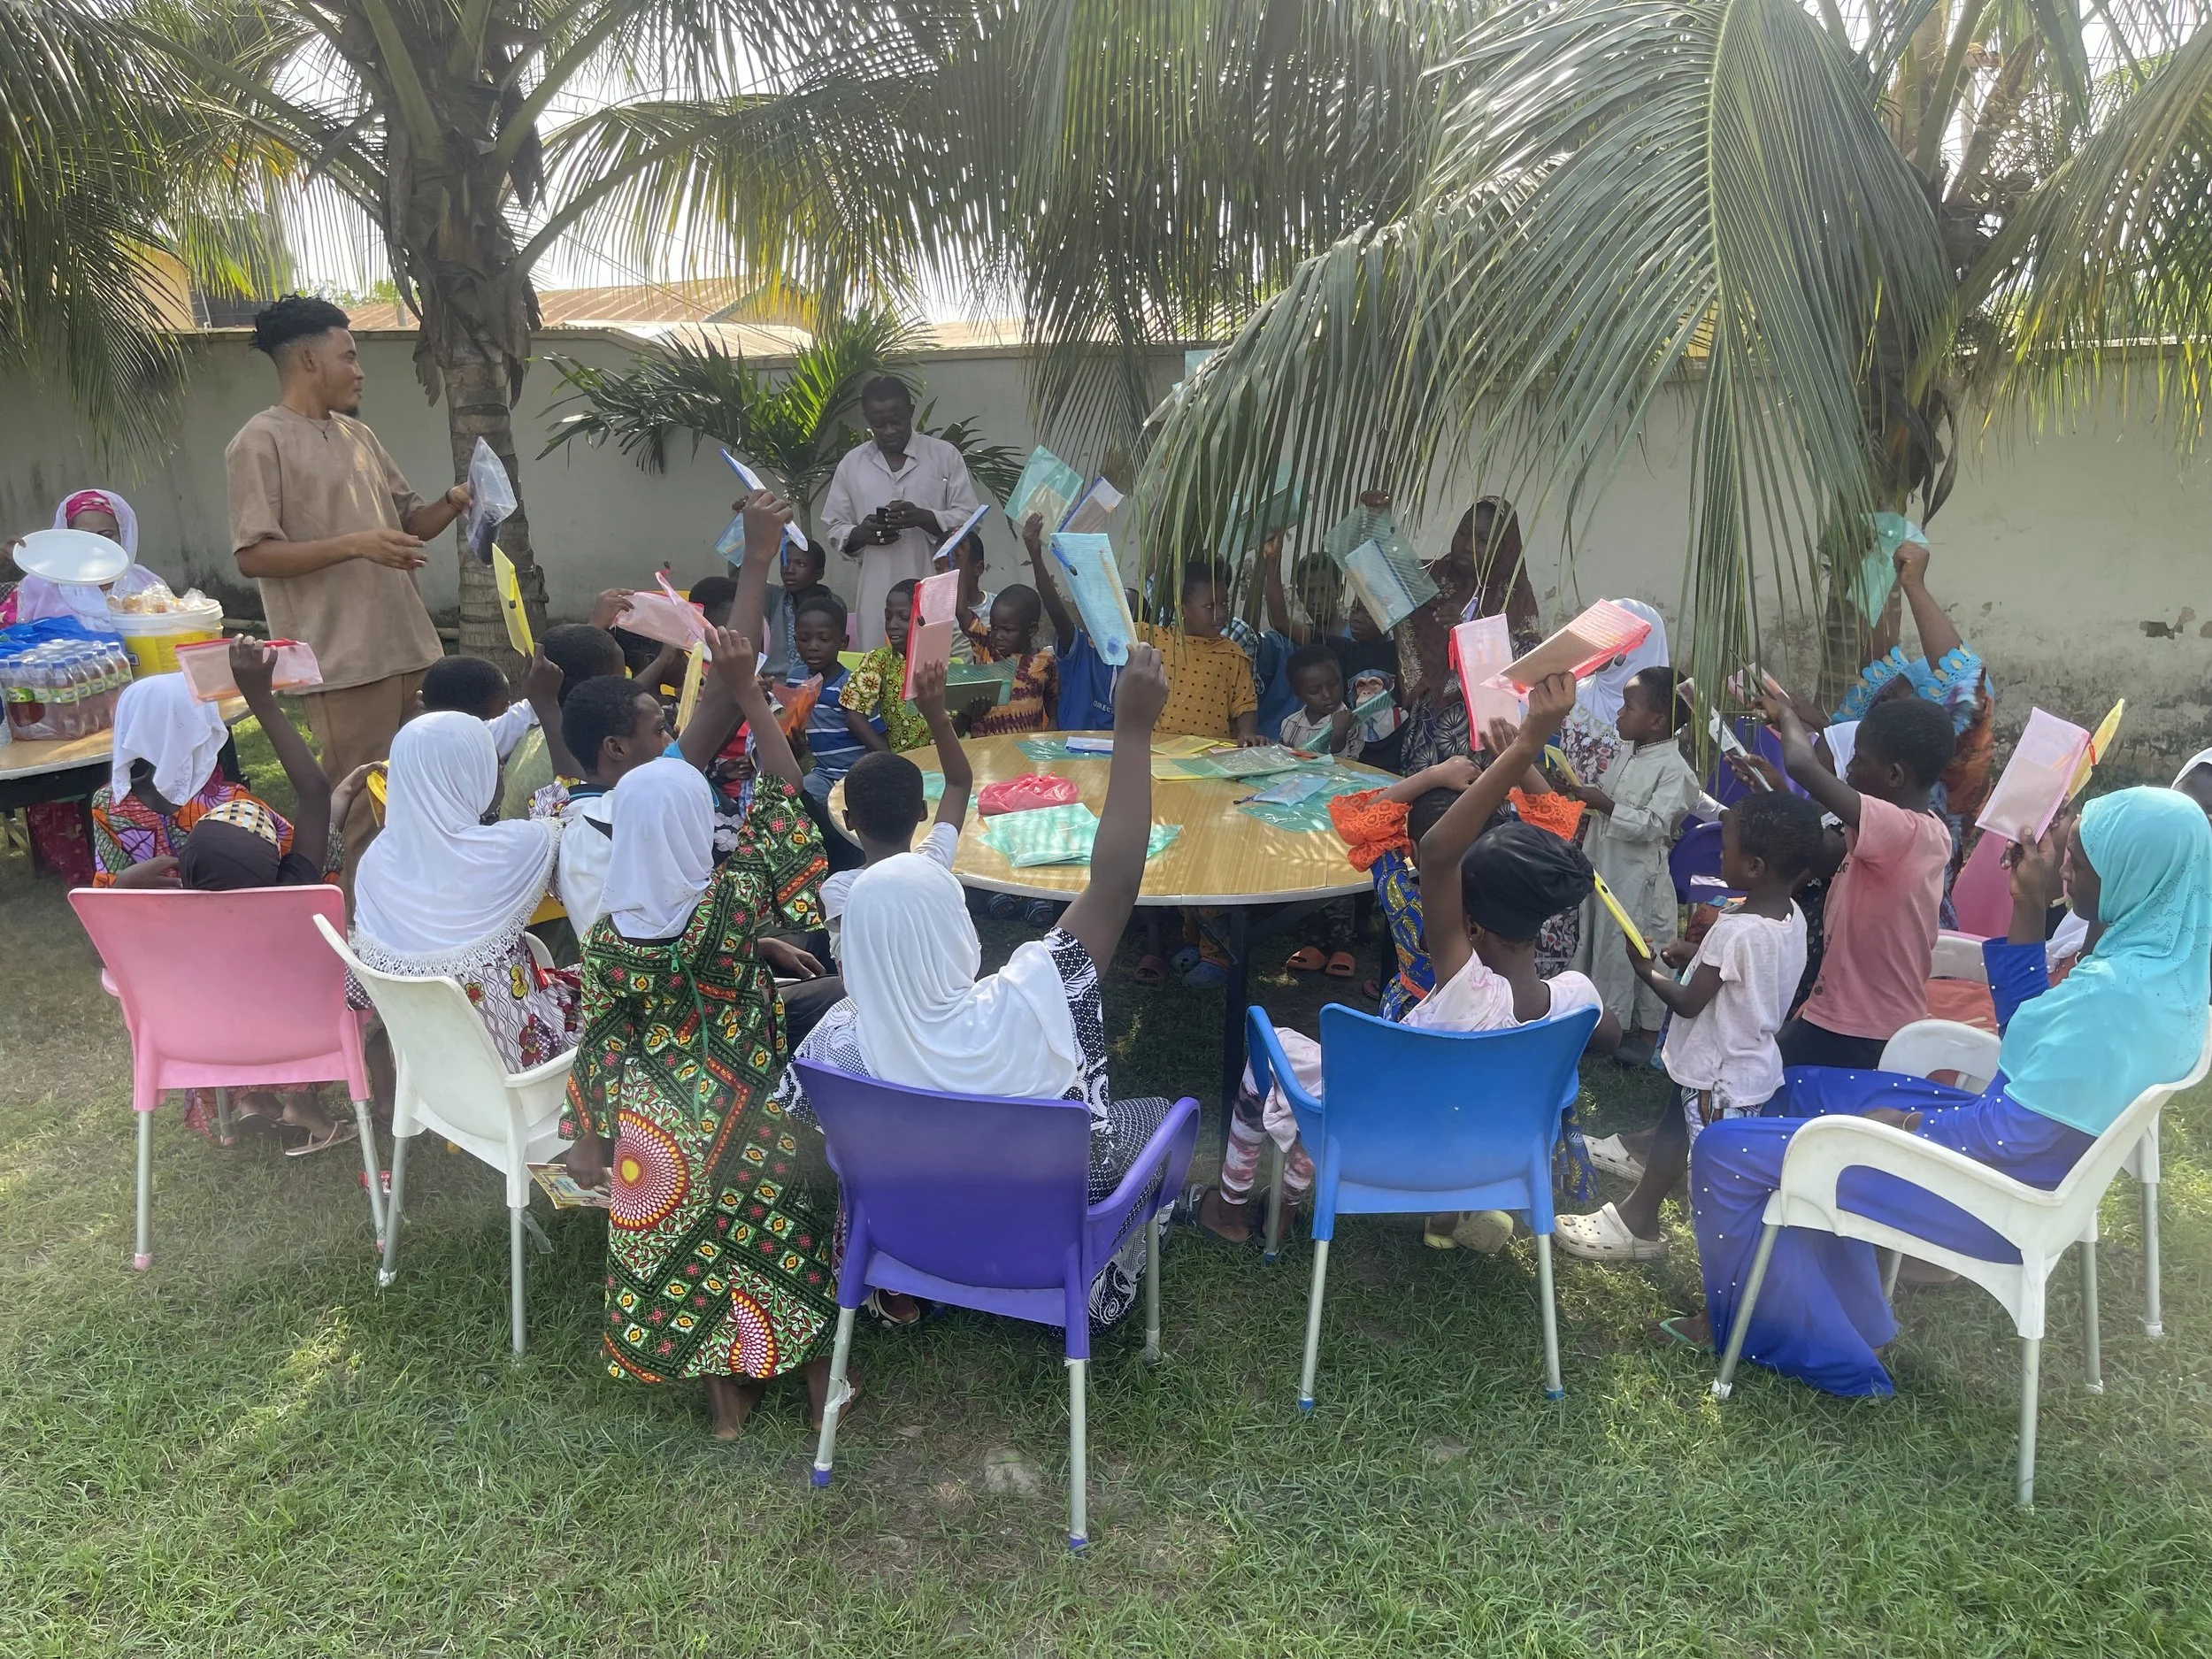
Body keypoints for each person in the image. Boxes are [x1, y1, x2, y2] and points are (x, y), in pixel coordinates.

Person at [1685, 790, 2212, 1395]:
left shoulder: (2113, 997)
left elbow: (2012, 1137)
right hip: (2027, 1165)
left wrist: (1904, 1126)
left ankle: (1793, 1338)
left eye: (2082, 859)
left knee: (1724, 1151)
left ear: (2135, 873)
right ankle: (1858, 1316)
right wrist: (2030, 905)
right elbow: (2028, 1036)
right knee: (1803, 1088)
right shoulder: (2162, 966)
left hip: (1996, 1201)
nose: (2064, 864)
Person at [772, 643, 1180, 1327]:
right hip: (1040, 1241)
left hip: (917, 1232)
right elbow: (1115, 884)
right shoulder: (1030, 998)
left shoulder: (836, 1044)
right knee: (1163, 1118)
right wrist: (1132, 730)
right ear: (957, 928)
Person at [1199, 680, 1618, 1248]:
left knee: (1304, 1070)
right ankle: (1453, 1212)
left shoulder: (1413, 899)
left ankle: (1248, 1206)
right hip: (1482, 1144)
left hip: (1383, 1113)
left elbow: (1368, 820)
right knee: (1435, 1081)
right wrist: (1522, 758)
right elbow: (1553, 840)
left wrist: (1452, 770)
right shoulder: (1575, 999)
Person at [562, 755, 840, 1438]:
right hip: (748, 1109)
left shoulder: (604, 941)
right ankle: (822, 1393)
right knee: (784, 1243)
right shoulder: (732, 905)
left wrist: (588, 1135)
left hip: (657, 1126)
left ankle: (726, 1412)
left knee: (692, 1256)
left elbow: (600, 1044)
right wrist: (753, 703)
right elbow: (785, 813)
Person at [225, 296, 472, 862]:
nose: (360, 371)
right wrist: (356, 544)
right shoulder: (258, 442)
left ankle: (428, 937)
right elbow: (254, 555)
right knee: (366, 820)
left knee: (431, 802)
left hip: (409, 646)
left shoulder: (360, 437)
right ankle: (363, 944)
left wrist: (454, 501)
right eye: (350, 356)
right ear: (309, 360)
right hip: (341, 662)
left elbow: (411, 523)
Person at [1555, 790, 1824, 1263]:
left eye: (1729, 846)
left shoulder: (1734, 930)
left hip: (1718, 1079)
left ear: (1757, 866)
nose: (1721, 851)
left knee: (1719, 1180)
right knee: (1675, 1133)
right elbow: (1741, 976)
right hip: (1741, 1065)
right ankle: (1640, 1219)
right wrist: (1692, 956)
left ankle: (1732, 1268)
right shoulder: (1789, 916)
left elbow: (1687, 1002)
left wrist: (1647, 972)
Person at [349, 713, 576, 1072]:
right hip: (524, 1062)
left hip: (431, 1068)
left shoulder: (377, 861)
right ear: (468, 774)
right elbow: (563, 810)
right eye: (492, 761)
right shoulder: (506, 848)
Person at [1760, 690, 1956, 1071]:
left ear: (1895, 775)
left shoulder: (1901, 830)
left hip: (1862, 1029)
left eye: (1858, 760)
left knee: (1749, 1072)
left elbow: (1801, 763)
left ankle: (1682, 1132)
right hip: (1848, 1012)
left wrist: (1786, 714)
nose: (1848, 770)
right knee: (1758, 1069)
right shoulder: (1907, 831)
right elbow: (1816, 848)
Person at [1569, 666, 1707, 1060]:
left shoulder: (1675, 770)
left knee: (1636, 945)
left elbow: (1654, 825)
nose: (1618, 714)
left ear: (1658, 720)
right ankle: (1597, 1021)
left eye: (1628, 707)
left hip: (1638, 875)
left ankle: (1644, 1036)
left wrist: (1605, 804)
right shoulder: (1628, 751)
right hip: (1605, 862)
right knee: (1599, 937)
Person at [90, 672, 332, 889]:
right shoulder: (233, 805)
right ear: (204, 727)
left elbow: (106, 895)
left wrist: (123, 884)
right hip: (234, 923)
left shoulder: (109, 803)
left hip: (156, 932)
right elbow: (297, 862)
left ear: (130, 730)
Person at [820, 657, 974, 963]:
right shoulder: (933, 862)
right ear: (922, 812)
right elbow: (959, 783)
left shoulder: (839, 890)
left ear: (848, 820)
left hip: (870, 1008)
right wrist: (937, 716)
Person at [819, 377, 982, 649]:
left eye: (896, 421)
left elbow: (971, 519)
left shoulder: (944, 456)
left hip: (932, 583)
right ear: (867, 419)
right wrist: (861, 533)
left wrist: (925, 518)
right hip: (876, 588)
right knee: (877, 668)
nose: (888, 430)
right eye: (878, 424)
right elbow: (835, 525)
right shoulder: (852, 464)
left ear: (911, 411)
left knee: (932, 662)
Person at [1396, 495, 1540, 774]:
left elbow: (1525, 665)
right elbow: (1383, 575)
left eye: (1483, 541)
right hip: (1428, 724)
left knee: (1469, 806)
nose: (1467, 546)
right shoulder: (1431, 579)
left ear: (1502, 548)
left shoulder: (1513, 596)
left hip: (1480, 735)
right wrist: (1376, 516)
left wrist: (1468, 631)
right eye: (1463, 533)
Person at [3, 488, 167, 626]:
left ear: (124, 537)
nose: (96, 546)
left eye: (106, 535)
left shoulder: (147, 584)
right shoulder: (40, 585)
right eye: (85, 536)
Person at [1020, 511, 1120, 733]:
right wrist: (1035, 555)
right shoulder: (1081, 650)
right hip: (1068, 747)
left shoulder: (1134, 664)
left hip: (1111, 754)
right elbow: (1055, 610)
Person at [837, 579, 933, 754]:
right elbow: (854, 715)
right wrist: (889, 759)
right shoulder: (879, 660)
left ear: (926, 618)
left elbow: (949, 728)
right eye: (888, 617)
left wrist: (967, 714)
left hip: (939, 761)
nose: (892, 625)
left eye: (904, 618)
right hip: (898, 761)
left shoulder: (939, 663)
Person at [957, 584, 1058, 736]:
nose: (998, 636)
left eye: (1007, 630)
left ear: (1031, 630)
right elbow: (961, 612)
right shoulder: (986, 648)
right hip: (984, 752)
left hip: (1024, 753)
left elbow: (1054, 709)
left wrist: (1047, 741)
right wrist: (962, 562)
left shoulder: (1045, 662)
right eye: (995, 627)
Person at [754, 533, 832, 680]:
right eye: (785, 562)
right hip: (776, 683)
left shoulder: (832, 604)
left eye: (800, 564)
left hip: (818, 684)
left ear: (819, 573)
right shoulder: (775, 597)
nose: (789, 570)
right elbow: (747, 581)